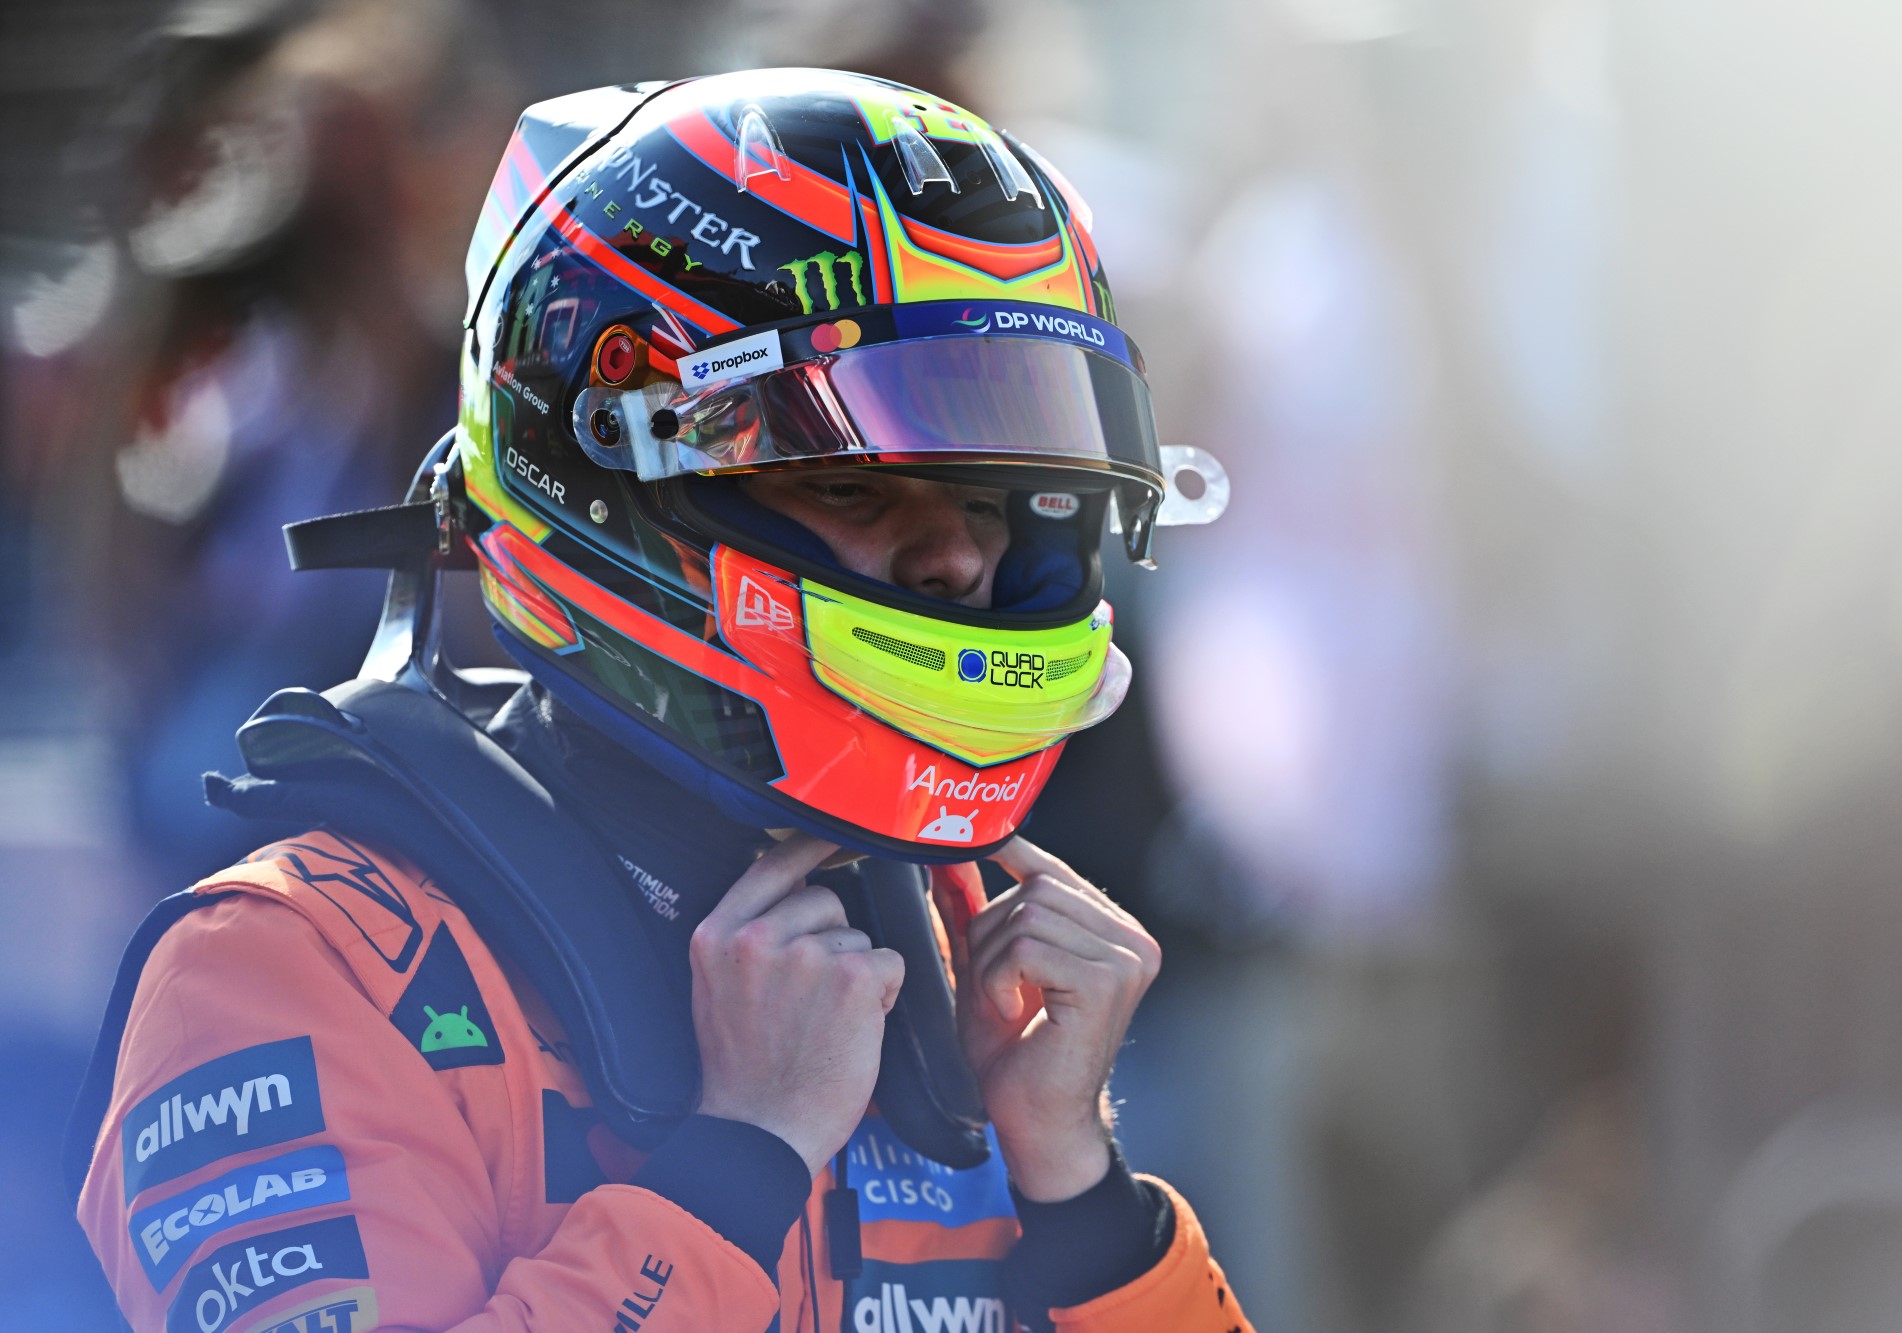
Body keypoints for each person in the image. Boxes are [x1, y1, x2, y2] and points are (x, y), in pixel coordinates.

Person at [68, 68, 1252, 1332]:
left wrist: (1080, 1197)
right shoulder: (292, 969)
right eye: (854, 489)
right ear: (618, 479)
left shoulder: (963, 966)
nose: (957, 560)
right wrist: (735, 1166)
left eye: (996, 500)